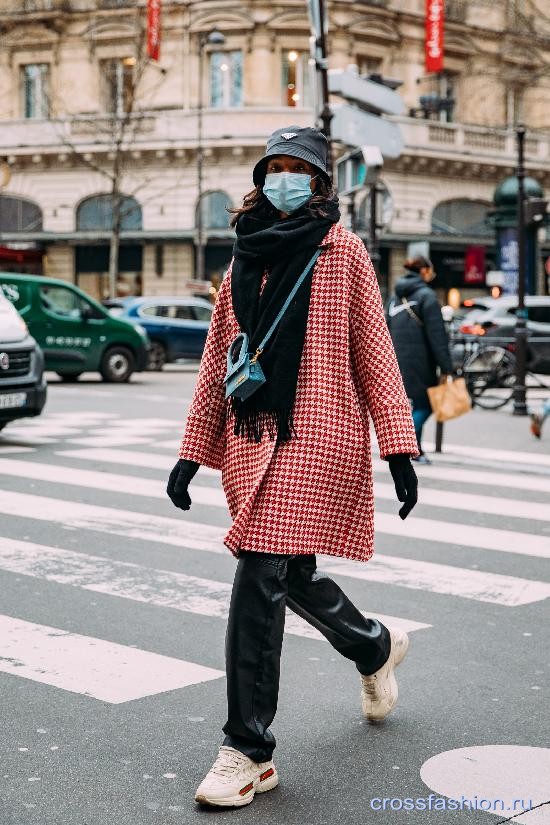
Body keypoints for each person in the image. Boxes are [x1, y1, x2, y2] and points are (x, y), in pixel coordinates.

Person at [167, 126, 420, 808]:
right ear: (261, 177)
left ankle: (248, 748)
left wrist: (398, 445)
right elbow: (222, 355)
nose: (283, 178)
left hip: (320, 433)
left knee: (259, 566)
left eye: (297, 169)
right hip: (256, 433)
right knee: (285, 569)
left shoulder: (344, 251)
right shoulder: (243, 254)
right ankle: (372, 644)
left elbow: (374, 350)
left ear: (318, 181)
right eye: (273, 167)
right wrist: (193, 449)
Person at [386, 256, 453, 464]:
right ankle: (405, 445)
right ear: (424, 271)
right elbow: (437, 336)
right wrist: (447, 367)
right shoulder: (427, 297)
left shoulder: (393, 297)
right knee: (426, 404)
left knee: (413, 404)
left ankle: (416, 450)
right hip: (421, 361)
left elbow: (384, 329)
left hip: (395, 359)